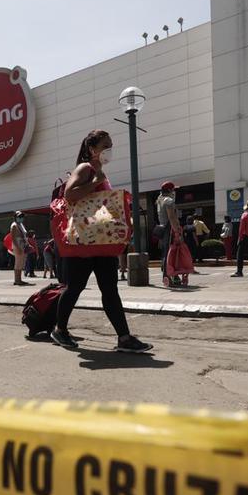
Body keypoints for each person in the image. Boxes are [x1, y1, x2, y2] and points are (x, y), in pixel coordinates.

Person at [51, 129, 152, 353]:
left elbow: (100, 208)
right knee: (75, 288)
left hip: (100, 241)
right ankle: (60, 329)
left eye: (111, 145)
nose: (110, 150)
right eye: (105, 146)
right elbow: (70, 195)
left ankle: (124, 338)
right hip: (83, 243)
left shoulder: (100, 172)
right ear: (92, 149)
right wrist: (96, 180)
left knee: (110, 289)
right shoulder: (86, 168)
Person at [155, 181, 182, 284]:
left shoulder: (159, 200)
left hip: (162, 229)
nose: (174, 192)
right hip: (169, 229)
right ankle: (169, 275)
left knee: (166, 253)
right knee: (172, 253)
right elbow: (171, 217)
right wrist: (177, 231)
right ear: (170, 190)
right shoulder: (169, 201)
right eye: (173, 189)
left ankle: (169, 275)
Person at [10, 211, 31, 286]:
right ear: (15, 217)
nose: (21, 218)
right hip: (18, 245)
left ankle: (19, 279)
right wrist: (18, 247)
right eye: (19, 216)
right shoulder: (14, 225)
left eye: (22, 216)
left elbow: (25, 236)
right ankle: (17, 280)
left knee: (21, 263)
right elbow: (13, 238)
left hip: (23, 244)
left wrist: (27, 244)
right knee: (18, 263)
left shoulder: (21, 225)